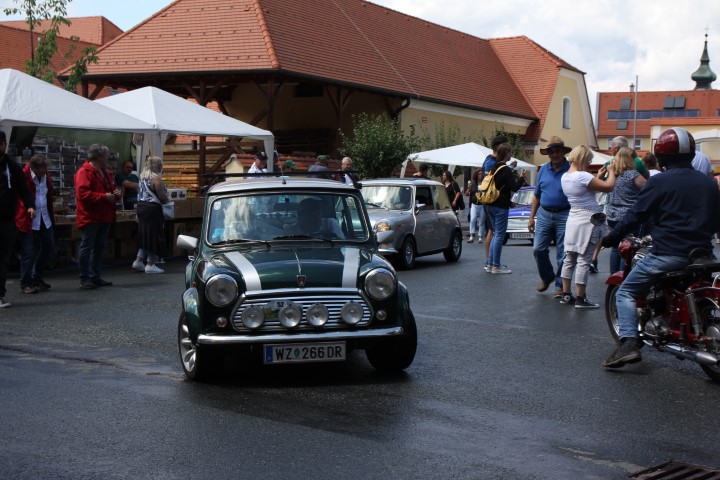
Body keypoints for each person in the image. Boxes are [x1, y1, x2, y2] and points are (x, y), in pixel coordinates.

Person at [601, 128, 720, 368]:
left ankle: (629, 345)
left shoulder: (660, 181)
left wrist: (612, 237)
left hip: (669, 253)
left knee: (626, 292)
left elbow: (636, 214)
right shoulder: (708, 183)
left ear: (661, 156)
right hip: (703, 255)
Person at [558, 145, 616, 308]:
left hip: (573, 218)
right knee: (584, 259)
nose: (590, 163)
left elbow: (587, 193)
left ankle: (566, 294)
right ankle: (581, 298)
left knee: (569, 258)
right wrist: (611, 171)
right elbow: (609, 186)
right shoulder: (583, 176)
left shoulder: (565, 177)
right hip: (588, 219)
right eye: (589, 160)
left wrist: (597, 176)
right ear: (583, 158)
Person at [528, 136, 572, 297]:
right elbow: (537, 195)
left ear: (563, 152)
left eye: (558, 151)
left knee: (563, 252)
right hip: (545, 214)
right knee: (538, 248)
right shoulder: (543, 170)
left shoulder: (571, 169)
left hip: (565, 214)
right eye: (552, 152)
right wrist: (531, 217)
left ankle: (560, 286)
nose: (555, 154)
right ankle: (547, 277)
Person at [74, 144, 121, 289]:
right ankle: (85, 277)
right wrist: (104, 197)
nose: (107, 158)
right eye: (106, 156)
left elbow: (110, 189)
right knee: (87, 247)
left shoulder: (104, 172)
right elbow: (82, 194)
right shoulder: (84, 172)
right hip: (91, 216)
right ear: (99, 157)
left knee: (99, 247)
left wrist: (115, 194)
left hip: (103, 215)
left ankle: (95, 276)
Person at [0, 132, 36, 307]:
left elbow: (24, 190)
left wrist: (30, 205)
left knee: (3, 257)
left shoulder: (12, 166)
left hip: (6, 219)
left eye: (1, 143)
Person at [16, 155, 55, 294]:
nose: (45, 171)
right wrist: (28, 207)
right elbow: (20, 195)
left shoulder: (45, 176)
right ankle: (25, 282)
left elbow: (47, 194)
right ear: (34, 168)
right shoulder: (24, 175)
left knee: (49, 247)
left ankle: (36, 276)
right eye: (42, 168)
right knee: (28, 252)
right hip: (29, 217)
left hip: (44, 217)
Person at [605, 147, 647, 274]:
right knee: (628, 247)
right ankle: (624, 277)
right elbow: (649, 188)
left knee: (615, 248)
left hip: (612, 216)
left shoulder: (612, 175)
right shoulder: (633, 174)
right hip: (628, 217)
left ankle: (614, 275)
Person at [486, 143, 526, 274]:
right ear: (506, 153)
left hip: (490, 204)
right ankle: (496, 266)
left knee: (495, 234)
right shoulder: (505, 169)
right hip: (500, 206)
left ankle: (490, 264)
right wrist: (521, 178)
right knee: (499, 235)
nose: (511, 154)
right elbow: (514, 187)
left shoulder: (493, 167)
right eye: (510, 152)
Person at [132, 156, 168, 274]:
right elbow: (162, 197)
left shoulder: (142, 179)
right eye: (160, 164)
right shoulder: (156, 178)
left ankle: (138, 260)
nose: (161, 167)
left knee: (145, 235)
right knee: (154, 236)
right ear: (157, 166)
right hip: (152, 209)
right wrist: (168, 199)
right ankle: (150, 264)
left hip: (141, 207)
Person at [481, 136, 508, 269]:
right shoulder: (491, 162)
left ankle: (490, 261)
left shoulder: (490, 160)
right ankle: (490, 262)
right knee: (493, 232)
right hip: (493, 200)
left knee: (492, 231)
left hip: (491, 200)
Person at [466, 169, 485, 244]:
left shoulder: (485, 183)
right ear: (476, 175)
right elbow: (467, 193)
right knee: (473, 219)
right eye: (479, 174)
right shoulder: (473, 183)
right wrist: (469, 189)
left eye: (482, 174)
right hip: (474, 204)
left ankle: (480, 237)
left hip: (482, 204)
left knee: (482, 221)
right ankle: (471, 236)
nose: (481, 175)